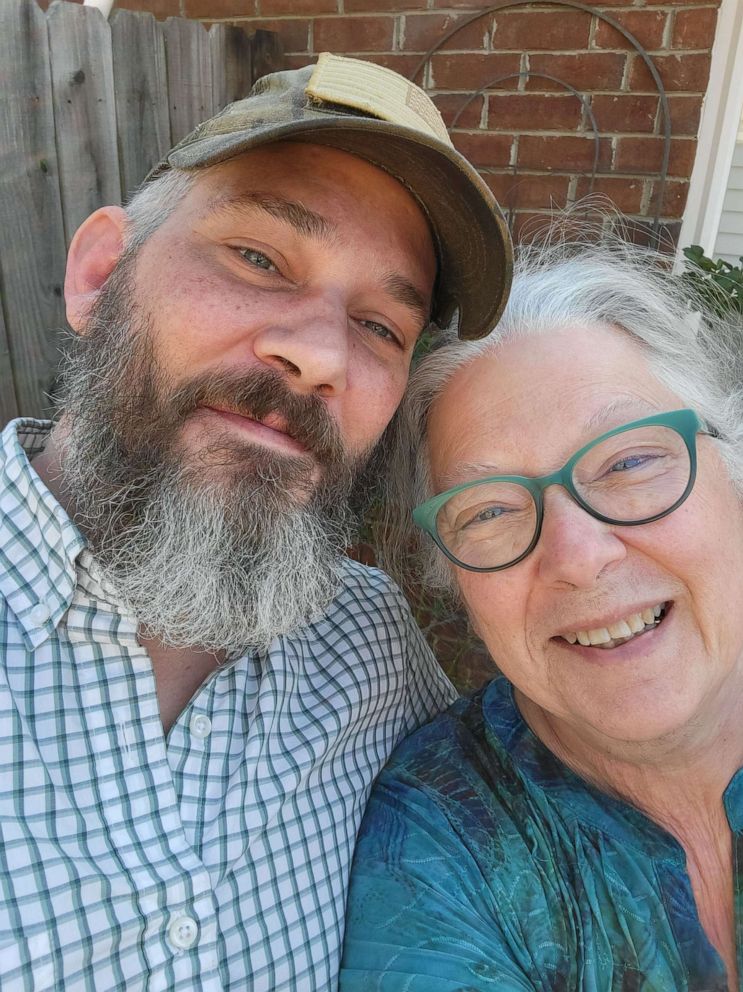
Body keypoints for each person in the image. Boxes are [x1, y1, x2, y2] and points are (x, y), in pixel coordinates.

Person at [0, 53, 512, 991]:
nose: (319, 354)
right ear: (99, 275)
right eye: (258, 257)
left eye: (380, 328)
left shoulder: (369, 643)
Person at [341, 239, 743, 992]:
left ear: (732, 477)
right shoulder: (441, 847)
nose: (578, 556)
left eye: (628, 463)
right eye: (489, 510)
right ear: (453, 578)